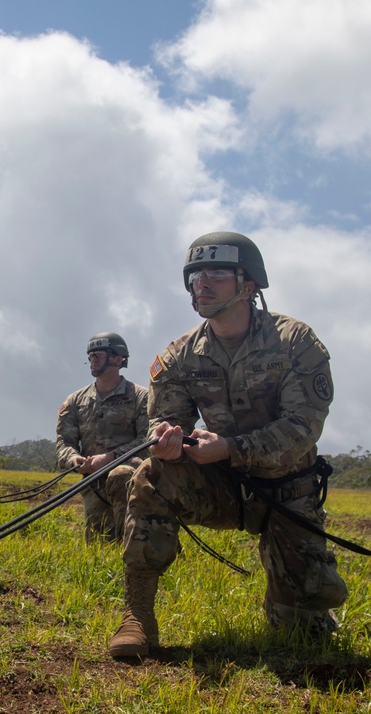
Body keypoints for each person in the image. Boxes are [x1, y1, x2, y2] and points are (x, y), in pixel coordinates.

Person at [109, 231, 346, 659]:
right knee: (151, 474)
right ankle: (137, 617)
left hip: (288, 492)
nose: (203, 283)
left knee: (304, 629)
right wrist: (167, 443)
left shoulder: (296, 342)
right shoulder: (178, 355)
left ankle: (301, 603)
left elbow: (301, 429)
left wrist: (231, 448)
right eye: (196, 275)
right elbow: (165, 420)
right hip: (225, 488)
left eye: (217, 273)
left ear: (249, 286)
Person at [56, 333, 149, 543]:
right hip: (93, 483)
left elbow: (147, 441)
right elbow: (64, 442)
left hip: (133, 479)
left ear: (118, 358)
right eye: (90, 356)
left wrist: (110, 458)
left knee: (121, 474)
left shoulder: (141, 397)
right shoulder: (75, 401)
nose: (92, 361)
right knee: (100, 548)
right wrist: (73, 459)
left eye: (98, 355)